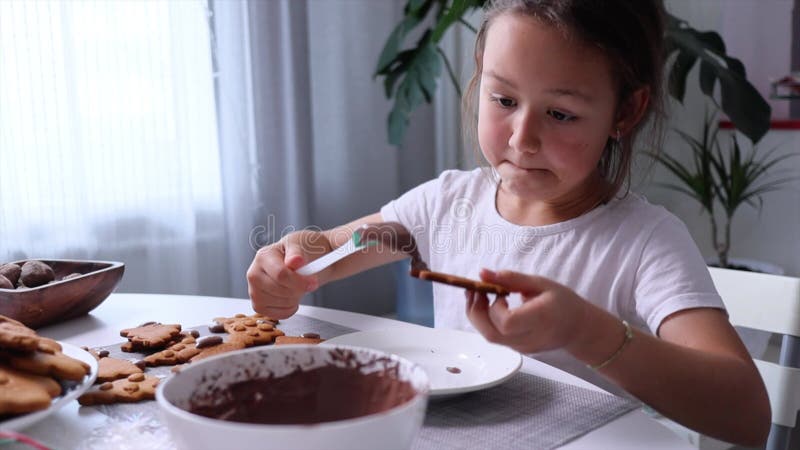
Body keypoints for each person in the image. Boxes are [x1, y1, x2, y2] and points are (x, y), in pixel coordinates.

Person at [247, 0, 770, 446]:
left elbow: (746, 415)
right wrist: (291, 259)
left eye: (560, 114)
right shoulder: (444, 204)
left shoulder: (645, 243)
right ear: (480, 74)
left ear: (625, 112)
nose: (522, 138)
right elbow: (343, 245)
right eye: (503, 100)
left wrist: (586, 331)